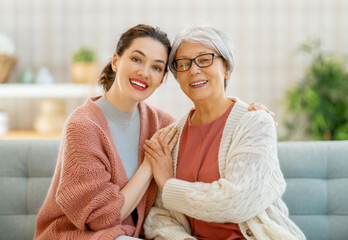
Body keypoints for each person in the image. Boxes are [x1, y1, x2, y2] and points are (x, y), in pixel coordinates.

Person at [34, 24, 275, 240]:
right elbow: (100, 219)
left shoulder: (162, 125)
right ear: (116, 61)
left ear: (162, 79)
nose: (145, 73)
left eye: (157, 67)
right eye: (137, 59)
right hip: (79, 236)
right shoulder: (84, 126)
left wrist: (251, 112)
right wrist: (150, 165)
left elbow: (213, 120)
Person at [143, 26, 306, 240]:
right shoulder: (170, 137)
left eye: (204, 59)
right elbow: (160, 216)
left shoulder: (255, 122)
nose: (193, 70)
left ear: (226, 68)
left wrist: (169, 185)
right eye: (183, 64)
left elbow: (236, 201)